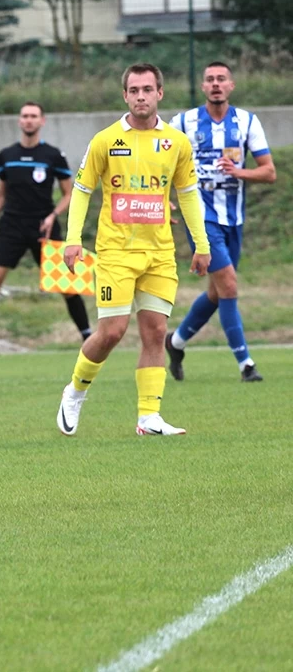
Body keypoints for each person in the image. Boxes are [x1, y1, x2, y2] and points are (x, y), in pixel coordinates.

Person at [56, 63, 210, 438]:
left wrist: (201, 243)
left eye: (148, 89)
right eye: (134, 90)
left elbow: (188, 194)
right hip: (116, 252)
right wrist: (73, 239)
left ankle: (149, 416)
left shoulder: (177, 142)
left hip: (159, 253)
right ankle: (75, 391)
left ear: (160, 93)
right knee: (112, 331)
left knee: (156, 331)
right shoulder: (105, 140)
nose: (141, 96)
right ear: (125, 95)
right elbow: (81, 190)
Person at [165, 61, 275, 383]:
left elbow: (269, 171)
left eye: (221, 79)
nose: (215, 84)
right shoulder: (183, 122)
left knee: (217, 292)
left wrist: (239, 172)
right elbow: (159, 160)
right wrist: (161, 197)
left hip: (233, 218)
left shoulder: (247, 122)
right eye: (210, 79)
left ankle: (176, 342)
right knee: (228, 284)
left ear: (231, 85)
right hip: (200, 217)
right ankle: (246, 364)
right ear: (203, 87)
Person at [0, 102, 91, 354]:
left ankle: (88, 338)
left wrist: (53, 215)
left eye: (33, 116)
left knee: (66, 287)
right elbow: (1, 195)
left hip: (44, 227)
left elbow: (69, 194)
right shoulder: (7, 155)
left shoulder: (53, 155)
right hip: (11, 227)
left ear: (42, 121)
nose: (28, 120)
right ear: (19, 121)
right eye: (25, 116)